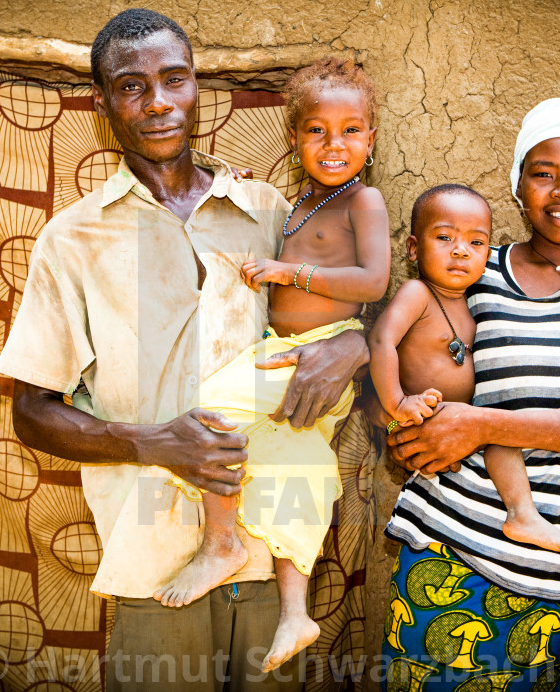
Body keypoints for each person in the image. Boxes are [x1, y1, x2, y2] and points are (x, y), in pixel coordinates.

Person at [0, 9, 368, 691]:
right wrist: (154, 443)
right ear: (102, 103)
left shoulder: (266, 210)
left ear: (198, 88)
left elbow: (334, 310)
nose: (159, 102)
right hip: (156, 566)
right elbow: (31, 412)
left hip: (273, 560)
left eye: (174, 79)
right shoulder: (73, 239)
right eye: (132, 86)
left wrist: (356, 345)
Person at [377, 98, 560, 689]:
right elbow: (388, 335)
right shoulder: (468, 269)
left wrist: (483, 425)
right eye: (543, 173)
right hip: (452, 554)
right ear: (518, 188)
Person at [153, 57, 389, 674]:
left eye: (350, 131)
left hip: (324, 352)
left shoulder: (364, 201)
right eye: (317, 131)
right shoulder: (302, 203)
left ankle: (222, 543)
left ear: (371, 137)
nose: (334, 144)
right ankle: (294, 611)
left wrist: (291, 272)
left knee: (204, 419)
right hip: (279, 355)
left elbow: (373, 280)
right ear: (294, 138)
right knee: (294, 467)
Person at [370, 184, 560, 554]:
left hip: (459, 427)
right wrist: (397, 403)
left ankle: (522, 514)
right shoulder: (417, 294)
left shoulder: (472, 307)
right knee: (495, 431)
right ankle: (520, 513)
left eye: (476, 243)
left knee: (501, 431)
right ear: (413, 248)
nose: (460, 251)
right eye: (444, 237)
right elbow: (381, 342)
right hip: (412, 415)